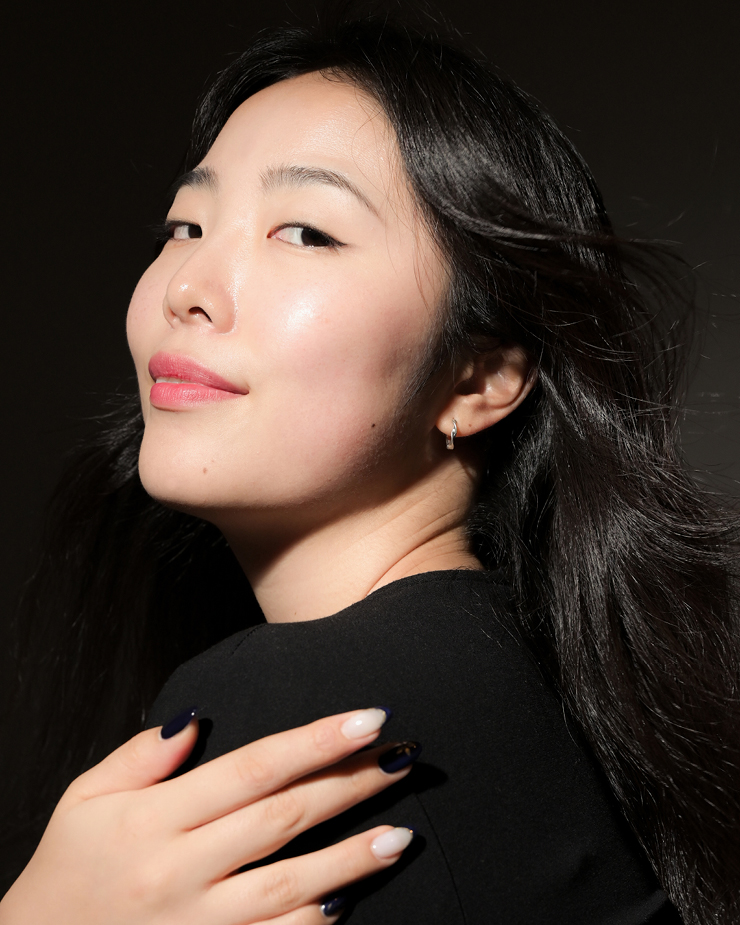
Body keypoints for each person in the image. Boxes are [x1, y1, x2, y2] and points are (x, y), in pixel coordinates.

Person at [2, 12, 739, 925]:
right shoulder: (531, 676)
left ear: (480, 377)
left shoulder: (294, 713)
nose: (186, 288)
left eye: (305, 233)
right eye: (185, 224)